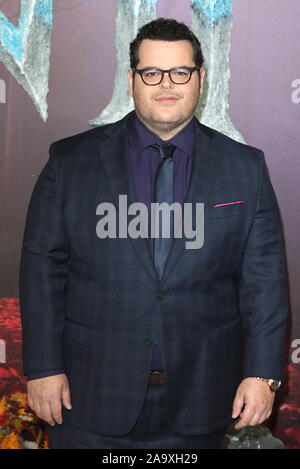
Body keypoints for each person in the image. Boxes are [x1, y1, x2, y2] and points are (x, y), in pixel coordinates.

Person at [19, 18, 289, 449]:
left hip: (203, 397)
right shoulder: (71, 162)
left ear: (200, 78)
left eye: (180, 72)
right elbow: (42, 270)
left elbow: (264, 284)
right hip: (88, 397)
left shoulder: (245, 167)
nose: (167, 84)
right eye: (152, 73)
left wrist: (262, 375)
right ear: (132, 80)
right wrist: (43, 367)